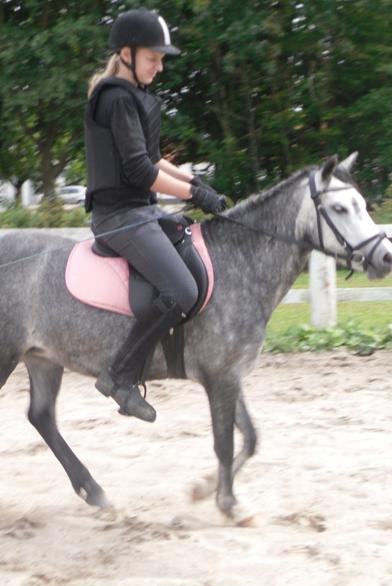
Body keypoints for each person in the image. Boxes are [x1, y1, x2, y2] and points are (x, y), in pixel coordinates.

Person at [84, 8, 227, 423]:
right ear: (126, 54)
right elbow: (140, 173)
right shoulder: (114, 99)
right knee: (180, 290)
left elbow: (153, 160)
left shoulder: (137, 97)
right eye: (153, 57)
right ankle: (119, 374)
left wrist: (194, 182)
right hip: (119, 218)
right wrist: (191, 194)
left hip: (141, 212)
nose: (160, 66)